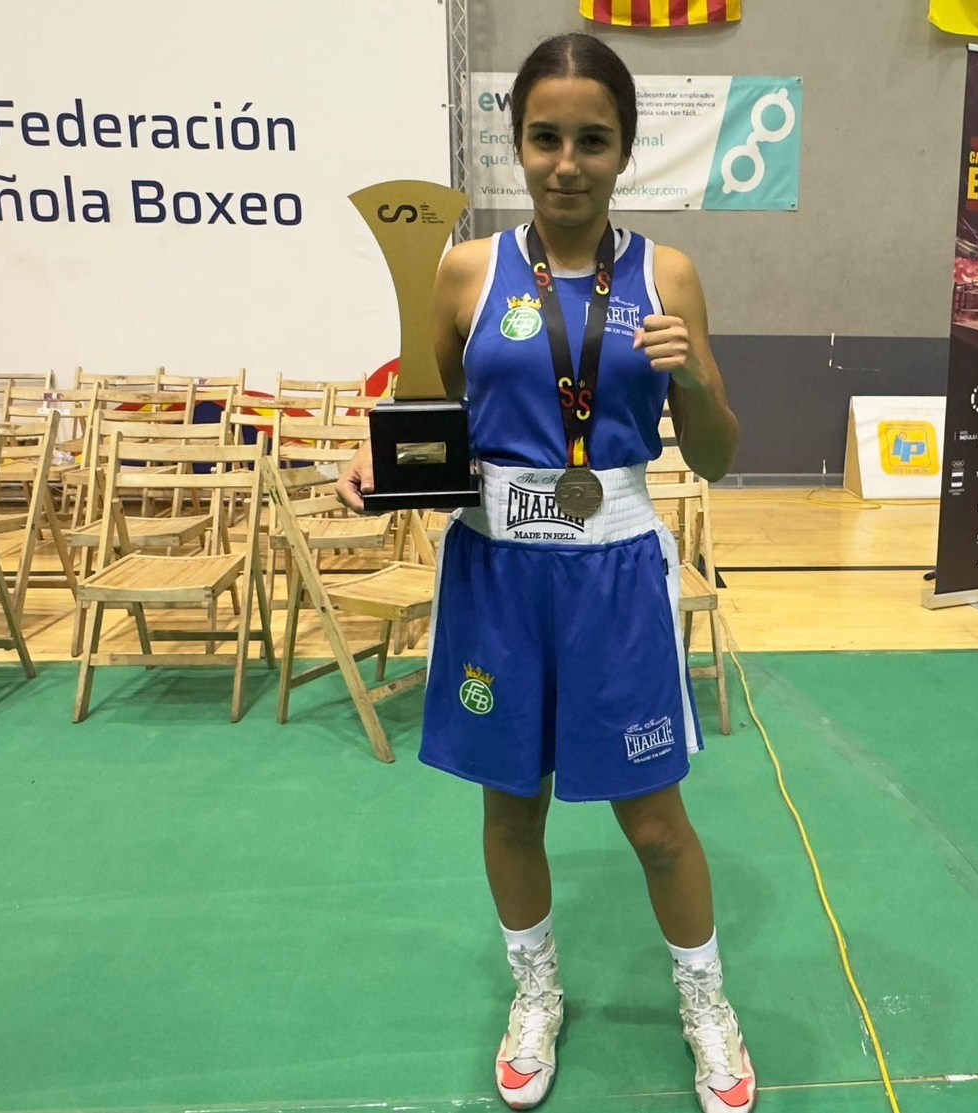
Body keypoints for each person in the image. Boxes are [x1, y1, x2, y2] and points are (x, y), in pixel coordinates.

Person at [337, 33, 754, 1113]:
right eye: (545, 137)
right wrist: (377, 467)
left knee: (656, 824)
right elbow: (431, 428)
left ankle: (706, 1003)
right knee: (510, 810)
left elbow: (712, 451)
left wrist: (692, 376)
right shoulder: (467, 270)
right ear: (515, 144)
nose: (566, 161)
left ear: (623, 152)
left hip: (615, 574)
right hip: (497, 578)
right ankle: (537, 993)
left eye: (592, 140)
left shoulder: (668, 275)